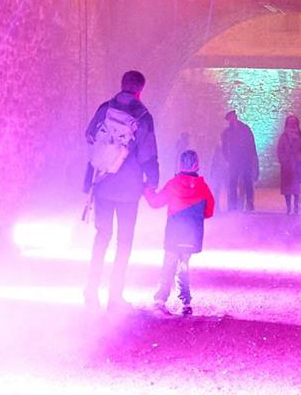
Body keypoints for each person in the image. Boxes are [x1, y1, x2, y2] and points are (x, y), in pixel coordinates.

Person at [83, 70, 159, 311]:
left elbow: (89, 135)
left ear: (122, 84)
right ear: (140, 89)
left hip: (103, 184)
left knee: (101, 238)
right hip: (129, 189)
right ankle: (115, 296)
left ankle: (91, 291)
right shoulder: (143, 116)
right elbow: (148, 153)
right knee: (124, 242)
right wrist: (153, 178)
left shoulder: (105, 108)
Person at [144, 150, 215, 316]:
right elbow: (209, 211)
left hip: (173, 234)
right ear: (197, 165)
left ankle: (160, 299)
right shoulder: (203, 188)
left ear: (180, 164)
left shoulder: (173, 184)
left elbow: (155, 203)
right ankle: (186, 303)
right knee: (183, 267)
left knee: (168, 265)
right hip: (191, 235)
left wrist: (146, 190)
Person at [221, 111, 259, 212]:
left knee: (247, 181)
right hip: (234, 160)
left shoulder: (245, 129)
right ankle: (233, 205)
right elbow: (224, 147)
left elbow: (251, 144)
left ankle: (249, 204)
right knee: (233, 182)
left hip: (245, 159)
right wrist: (227, 158)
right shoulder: (227, 132)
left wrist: (252, 157)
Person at [277, 115, 301, 215]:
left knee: (297, 189)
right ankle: (288, 208)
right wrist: (284, 160)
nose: (292, 124)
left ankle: (296, 208)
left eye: (294, 122)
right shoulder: (284, 136)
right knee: (287, 189)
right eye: (290, 122)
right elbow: (280, 150)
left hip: (297, 165)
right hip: (286, 166)